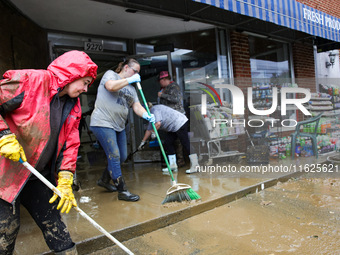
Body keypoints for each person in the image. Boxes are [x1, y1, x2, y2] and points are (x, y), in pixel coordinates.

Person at [0, 50, 98, 255]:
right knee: (6, 230)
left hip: (37, 174)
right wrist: (4, 135)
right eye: (85, 82)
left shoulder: (74, 105)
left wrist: (65, 177)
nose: (86, 89)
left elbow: (71, 143)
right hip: (5, 174)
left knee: (55, 225)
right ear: (73, 73)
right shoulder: (32, 81)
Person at [90, 59, 155, 202]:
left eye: (138, 73)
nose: (137, 74)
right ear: (126, 67)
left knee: (123, 156)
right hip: (103, 122)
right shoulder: (111, 75)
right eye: (135, 71)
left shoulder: (132, 89)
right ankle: (122, 190)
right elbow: (111, 87)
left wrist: (146, 114)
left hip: (119, 126)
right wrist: (131, 79)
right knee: (114, 154)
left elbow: (136, 106)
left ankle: (104, 181)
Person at [138, 103, 199, 174]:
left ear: (145, 109)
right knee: (168, 142)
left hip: (179, 122)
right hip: (173, 127)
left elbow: (158, 123)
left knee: (185, 143)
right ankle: (172, 165)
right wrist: (143, 142)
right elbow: (149, 130)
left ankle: (195, 166)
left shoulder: (154, 109)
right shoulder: (151, 116)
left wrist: (153, 133)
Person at [157, 70, 186, 168]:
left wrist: (162, 95)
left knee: (179, 141)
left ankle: (180, 160)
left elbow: (176, 99)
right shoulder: (164, 88)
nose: (159, 83)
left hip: (177, 119)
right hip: (169, 120)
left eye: (160, 80)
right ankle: (172, 162)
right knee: (169, 141)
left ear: (164, 79)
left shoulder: (174, 86)